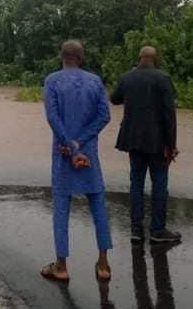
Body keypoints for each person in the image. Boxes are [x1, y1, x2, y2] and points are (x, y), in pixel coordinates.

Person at [40, 40, 113, 283]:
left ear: (62, 57)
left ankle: (61, 266)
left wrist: (70, 146)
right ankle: (103, 264)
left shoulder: (52, 81)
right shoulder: (94, 81)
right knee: (98, 204)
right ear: (81, 59)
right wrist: (80, 144)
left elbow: (52, 117)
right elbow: (104, 116)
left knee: (61, 207)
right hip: (88, 153)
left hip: (63, 154)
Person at [111, 46, 181, 243]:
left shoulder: (127, 77)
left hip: (132, 139)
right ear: (155, 59)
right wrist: (172, 144)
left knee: (136, 182)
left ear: (139, 57)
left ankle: (136, 229)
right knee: (159, 184)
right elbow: (169, 114)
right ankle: (157, 230)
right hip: (158, 142)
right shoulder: (163, 78)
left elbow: (114, 99)